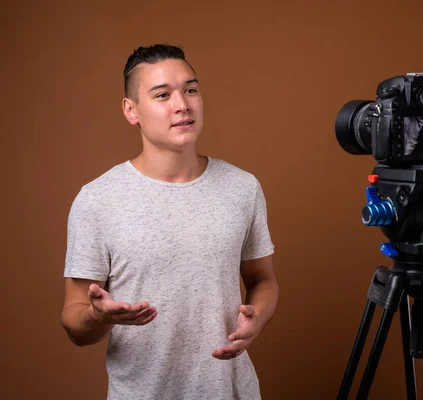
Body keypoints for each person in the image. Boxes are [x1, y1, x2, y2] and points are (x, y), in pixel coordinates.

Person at [60, 44, 279, 400]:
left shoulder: (242, 187)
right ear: (131, 110)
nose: (183, 104)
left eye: (190, 90)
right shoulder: (97, 200)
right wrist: (101, 317)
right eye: (163, 95)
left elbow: (263, 280)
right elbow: (73, 320)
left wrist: (257, 319)